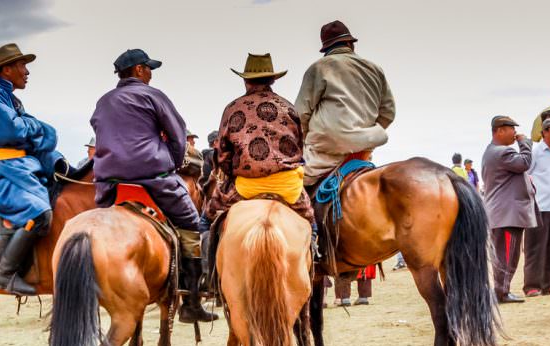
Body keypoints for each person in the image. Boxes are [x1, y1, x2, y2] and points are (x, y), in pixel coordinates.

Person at [90, 48, 216, 323]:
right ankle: (192, 302)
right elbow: (177, 135)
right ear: (138, 70)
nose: (151, 73)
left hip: (110, 183)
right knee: (191, 225)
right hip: (152, 178)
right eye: (149, 68)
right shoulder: (152, 95)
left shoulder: (103, 101)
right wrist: (168, 162)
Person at [0, 43, 67, 296]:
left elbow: (34, 135)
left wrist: (33, 128)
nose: (27, 71)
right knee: (40, 212)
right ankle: (4, 274)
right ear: (7, 69)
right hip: (1, 168)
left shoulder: (9, 98)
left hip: (19, 166)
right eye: (22, 65)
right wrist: (36, 126)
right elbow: (11, 131)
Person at [201, 53, 314, 231]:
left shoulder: (233, 108)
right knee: (312, 226)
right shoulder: (289, 107)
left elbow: (222, 153)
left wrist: (231, 173)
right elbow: (300, 148)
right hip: (288, 187)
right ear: (272, 81)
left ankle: (206, 258)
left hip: (247, 187)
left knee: (205, 222)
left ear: (246, 81)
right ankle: (316, 252)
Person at [295, 20, 395, 186]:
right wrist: (365, 132)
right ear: (350, 43)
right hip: (364, 149)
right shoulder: (375, 69)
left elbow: (300, 114)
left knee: (295, 183)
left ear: (326, 49)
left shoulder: (319, 67)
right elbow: (388, 112)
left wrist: (305, 140)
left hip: (325, 150)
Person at [481, 115, 536, 303]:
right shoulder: (501, 152)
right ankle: (501, 292)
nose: (515, 133)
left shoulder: (494, 151)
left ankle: (502, 290)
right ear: (500, 130)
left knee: (508, 255)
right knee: (507, 256)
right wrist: (525, 144)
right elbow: (524, 163)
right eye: (512, 129)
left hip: (505, 214)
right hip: (506, 214)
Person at [522, 117, 550, 296]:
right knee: (535, 246)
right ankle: (532, 285)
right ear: (545, 132)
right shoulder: (536, 150)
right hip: (539, 205)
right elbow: (525, 174)